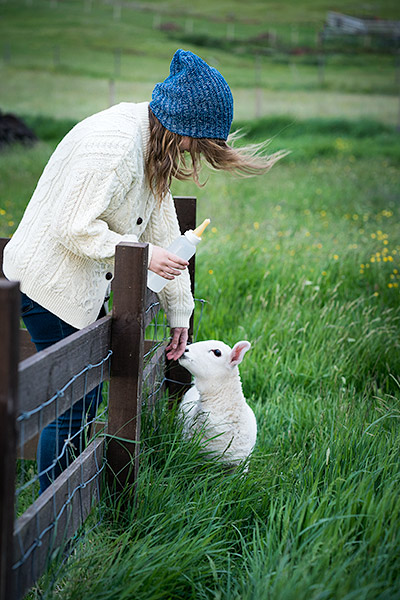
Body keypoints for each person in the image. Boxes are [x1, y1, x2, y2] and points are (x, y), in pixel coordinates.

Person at [3, 49, 283, 492]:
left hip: (79, 283)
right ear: (181, 126)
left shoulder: (150, 145)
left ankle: (64, 501)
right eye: (197, 142)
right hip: (48, 281)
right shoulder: (114, 147)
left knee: (83, 393)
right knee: (74, 402)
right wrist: (141, 253)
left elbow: (166, 231)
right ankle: (53, 515)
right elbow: (72, 228)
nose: (194, 153)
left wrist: (179, 315)